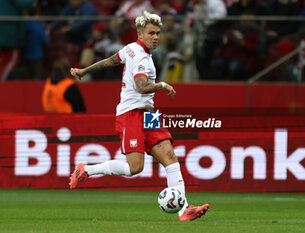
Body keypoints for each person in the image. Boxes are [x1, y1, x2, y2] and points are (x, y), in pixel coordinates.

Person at [69, 11, 210, 221]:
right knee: (135, 168)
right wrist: (162, 85)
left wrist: (84, 71)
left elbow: (110, 61)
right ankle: (86, 170)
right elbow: (141, 86)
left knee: (170, 159)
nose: (156, 37)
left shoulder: (130, 49)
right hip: (131, 114)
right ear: (140, 33)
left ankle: (184, 209)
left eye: (158, 33)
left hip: (148, 114)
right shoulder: (142, 58)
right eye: (151, 33)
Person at [0, 0, 36, 81]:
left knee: (4, 59)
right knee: (13, 59)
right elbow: (25, 4)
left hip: (7, 32)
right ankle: (1, 80)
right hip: (10, 33)